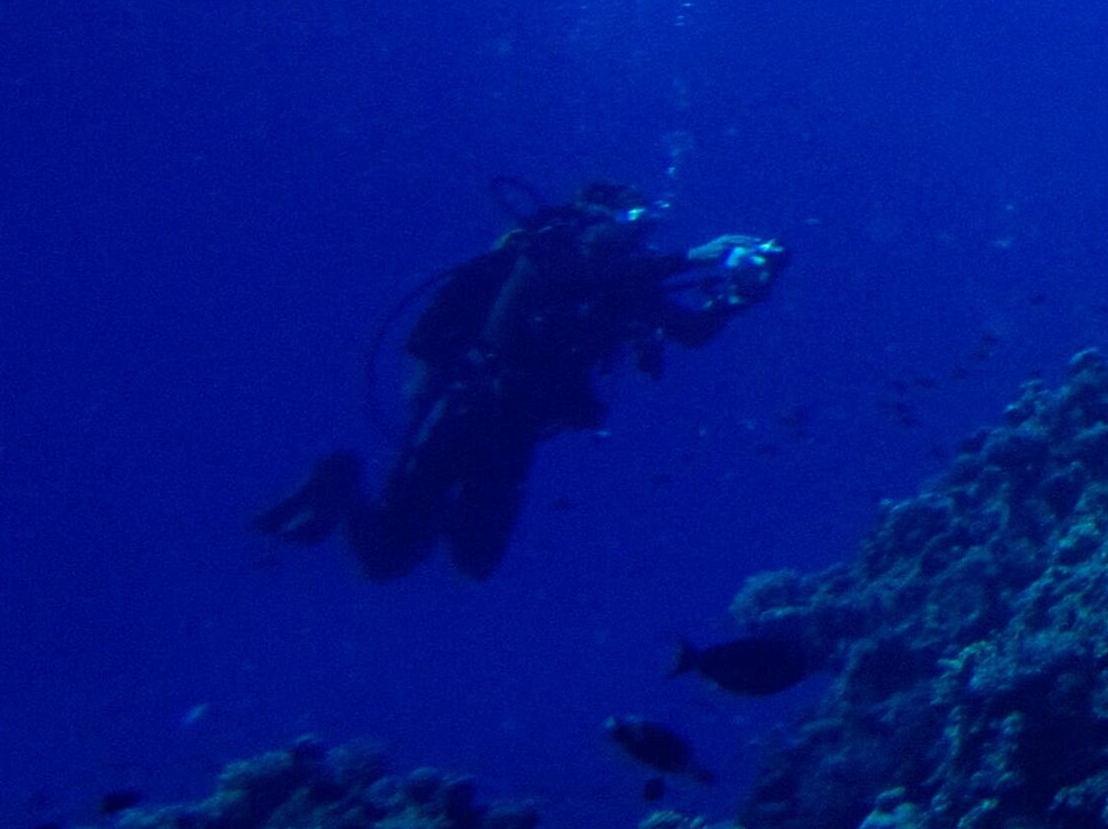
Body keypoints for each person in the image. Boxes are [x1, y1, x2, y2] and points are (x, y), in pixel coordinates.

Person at [255, 182, 786, 580]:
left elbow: (689, 331)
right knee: (385, 562)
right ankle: (342, 481)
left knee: (477, 562)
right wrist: (689, 257)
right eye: (624, 224)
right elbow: (575, 279)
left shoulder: (629, 282)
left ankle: (423, 508)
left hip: (517, 434)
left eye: (640, 231)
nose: (631, 239)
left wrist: (736, 298)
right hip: (466, 410)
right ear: (587, 218)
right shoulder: (545, 253)